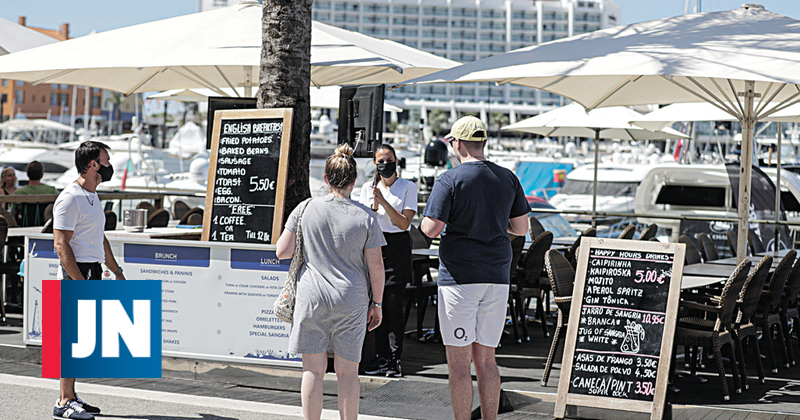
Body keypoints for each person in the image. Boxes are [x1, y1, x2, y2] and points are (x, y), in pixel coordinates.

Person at [421, 116, 529, 420]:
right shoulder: (507, 177)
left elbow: (430, 228)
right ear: (483, 142)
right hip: (496, 276)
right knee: (487, 360)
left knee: (458, 363)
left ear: (456, 143)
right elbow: (521, 228)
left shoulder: (450, 178)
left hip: (460, 277)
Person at [276, 144, 385, 420]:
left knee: (312, 369)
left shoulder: (305, 209)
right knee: (348, 371)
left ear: (325, 179)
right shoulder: (365, 217)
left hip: (312, 296)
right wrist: (378, 304)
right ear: (353, 181)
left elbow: (283, 251)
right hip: (352, 299)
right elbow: (377, 267)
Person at [52, 141, 125, 420]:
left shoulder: (92, 196)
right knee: (70, 339)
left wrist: (116, 270)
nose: (109, 165)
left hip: (92, 269)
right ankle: (63, 402)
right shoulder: (70, 197)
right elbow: (61, 245)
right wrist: (79, 280)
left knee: (81, 340)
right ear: (93, 165)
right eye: (105, 160)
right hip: (76, 272)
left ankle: (70, 395)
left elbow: (99, 238)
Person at [358, 144, 417, 377]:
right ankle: (380, 357)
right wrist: (375, 202)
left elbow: (404, 223)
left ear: (396, 161)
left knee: (393, 306)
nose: (385, 164)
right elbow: (365, 221)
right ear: (375, 164)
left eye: (389, 159)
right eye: (381, 160)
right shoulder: (367, 188)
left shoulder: (408, 187)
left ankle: (394, 358)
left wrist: (383, 202)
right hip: (374, 247)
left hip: (397, 247)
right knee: (375, 305)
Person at [13, 160, 59, 226]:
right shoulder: (52, 190)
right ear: (42, 174)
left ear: (27, 174)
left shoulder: (19, 192)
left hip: (25, 226)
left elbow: (13, 213)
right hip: (46, 227)